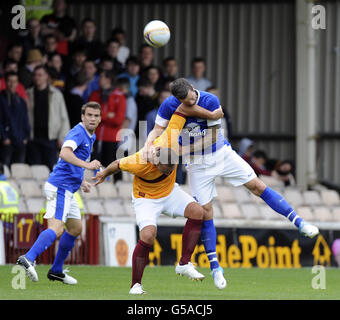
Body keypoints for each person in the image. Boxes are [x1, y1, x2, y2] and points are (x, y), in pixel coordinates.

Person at [144, 78, 320, 289]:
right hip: (197, 165)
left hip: (220, 154)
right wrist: (148, 145)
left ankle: (300, 223)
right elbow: (157, 130)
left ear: (193, 89)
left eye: (191, 99)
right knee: (205, 212)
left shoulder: (210, 100)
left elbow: (211, 138)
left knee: (257, 186)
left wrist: (180, 152)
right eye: (185, 102)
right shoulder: (170, 105)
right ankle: (216, 268)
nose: (189, 104)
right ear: (177, 99)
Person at [93, 103, 224, 294]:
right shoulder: (139, 162)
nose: (170, 170)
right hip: (146, 198)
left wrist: (212, 113)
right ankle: (135, 285)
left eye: (172, 167)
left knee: (198, 211)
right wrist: (104, 174)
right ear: (156, 162)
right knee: (147, 236)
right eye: (166, 169)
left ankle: (184, 263)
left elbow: (181, 109)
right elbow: (117, 164)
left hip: (170, 192)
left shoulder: (170, 139)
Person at [16, 101, 102, 284]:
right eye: (89, 115)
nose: (93, 118)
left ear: (100, 118)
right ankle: (28, 258)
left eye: (96, 115)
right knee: (56, 228)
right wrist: (88, 165)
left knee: (76, 228)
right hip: (60, 188)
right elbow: (64, 153)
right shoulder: (78, 133)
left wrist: (82, 181)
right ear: (82, 116)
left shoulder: (90, 136)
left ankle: (56, 270)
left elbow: (70, 164)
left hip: (69, 188)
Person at [26, 65, 70, 170]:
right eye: (35, 75)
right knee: (35, 169)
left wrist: (62, 137)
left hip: (50, 138)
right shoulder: (28, 93)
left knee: (51, 168)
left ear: (46, 76)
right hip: (33, 137)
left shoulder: (56, 94)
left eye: (40, 75)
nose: (37, 77)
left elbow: (63, 117)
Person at [89, 70, 126, 182]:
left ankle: (117, 189)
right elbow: (90, 115)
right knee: (92, 164)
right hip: (94, 136)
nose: (98, 79)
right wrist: (107, 115)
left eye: (101, 77)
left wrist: (100, 116)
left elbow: (118, 120)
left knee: (113, 166)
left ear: (108, 79)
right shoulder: (95, 94)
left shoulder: (119, 96)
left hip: (111, 138)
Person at [0, 72, 30, 167]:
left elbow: (25, 120)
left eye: (15, 81)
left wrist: (26, 137)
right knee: (5, 170)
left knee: (19, 169)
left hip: (20, 141)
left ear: (18, 83)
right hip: (6, 142)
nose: (12, 84)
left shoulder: (21, 101)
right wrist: (4, 137)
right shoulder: (1, 99)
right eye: (10, 81)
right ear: (5, 82)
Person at [116, 77, 138, 155]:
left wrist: (115, 138)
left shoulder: (130, 102)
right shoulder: (125, 100)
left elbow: (126, 122)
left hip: (124, 144)